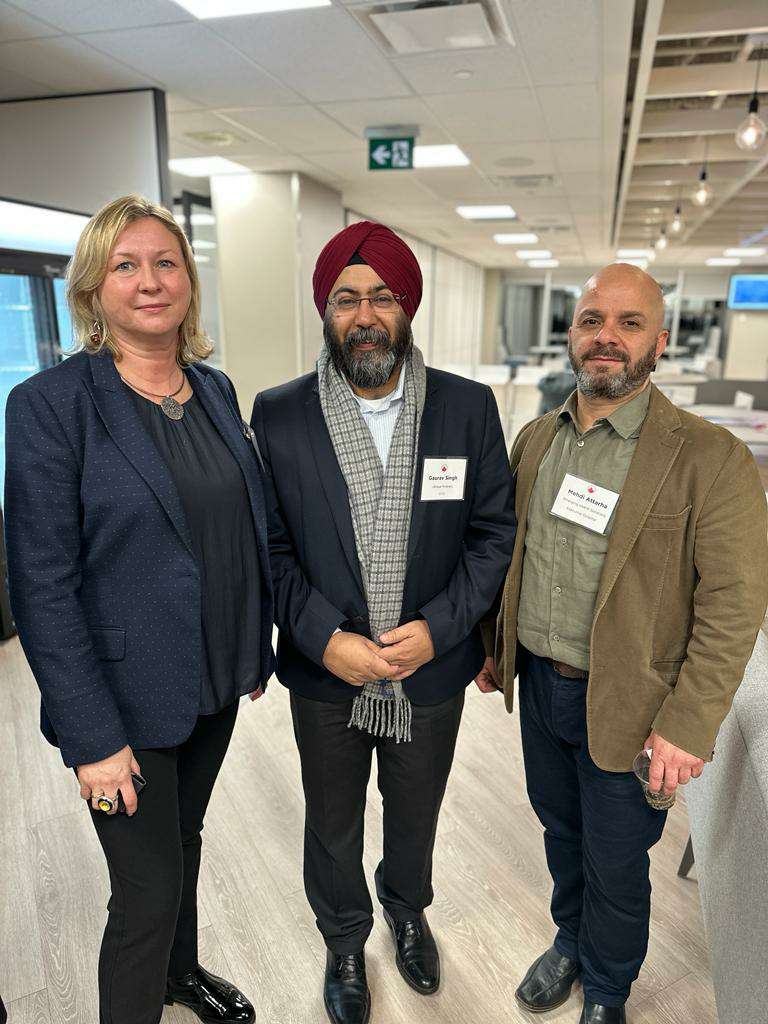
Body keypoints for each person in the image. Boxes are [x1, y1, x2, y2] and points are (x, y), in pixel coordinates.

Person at [4, 194, 274, 1024]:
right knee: (146, 889)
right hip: (121, 701)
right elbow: (41, 585)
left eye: (166, 263)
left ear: (188, 279)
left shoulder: (215, 390)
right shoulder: (51, 405)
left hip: (212, 682)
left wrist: (248, 644)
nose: (150, 281)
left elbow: (232, 528)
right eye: (126, 266)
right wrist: (92, 740)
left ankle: (177, 975)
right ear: (94, 288)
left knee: (183, 842)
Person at [477, 263, 768, 1024]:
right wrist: (496, 644)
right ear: (573, 335)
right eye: (592, 320)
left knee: (615, 858)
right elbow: (513, 554)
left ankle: (607, 989)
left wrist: (688, 724)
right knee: (560, 830)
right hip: (542, 688)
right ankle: (569, 942)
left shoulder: (708, 458)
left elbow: (735, 605)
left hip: (635, 703)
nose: (606, 336)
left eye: (629, 323)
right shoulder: (538, 440)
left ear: (659, 342)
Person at [251, 220, 515, 1024]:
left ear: (407, 308)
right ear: (325, 312)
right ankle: (343, 939)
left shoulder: (466, 409)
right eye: (345, 299)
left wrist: (440, 628)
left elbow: (492, 534)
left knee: (416, 809)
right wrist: (325, 637)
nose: (364, 315)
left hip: (427, 670)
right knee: (331, 820)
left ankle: (407, 909)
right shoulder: (280, 415)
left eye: (382, 297)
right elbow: (271, 547)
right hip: (326, 672)